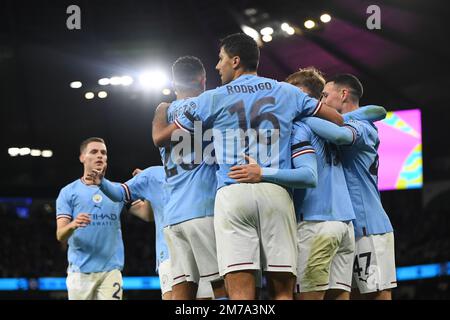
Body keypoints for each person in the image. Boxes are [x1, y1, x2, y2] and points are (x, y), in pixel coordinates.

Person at [152, 33, 344, 300]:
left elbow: (164, 137)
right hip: (276, 192)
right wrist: (297, 125)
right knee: (282, 293)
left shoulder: (212, 98)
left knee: (240, 295)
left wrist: (162, 108)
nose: (217, 66)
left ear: (235, 60)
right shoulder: (286, 91)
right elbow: (336, 119)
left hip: (234, 192)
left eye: (220, 60)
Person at [229, 68, 357, 300]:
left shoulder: (299, 127)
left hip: (315, 223)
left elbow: (308, 176)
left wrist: (262, 173)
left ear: (313, 100)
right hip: (345, 223)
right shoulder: (331, 127)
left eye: (298, 97)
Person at [302, 74, 396, 300]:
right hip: (346, 224)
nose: (322, 101)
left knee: (376, 294)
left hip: (368, 226)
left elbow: (342, 136)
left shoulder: (362, 126)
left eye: (325, 95)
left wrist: (303, 116)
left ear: (343, 94)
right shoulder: (348, 121)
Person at [152, 56, 225, 300]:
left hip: (172, 218)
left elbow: (158, 137)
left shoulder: (165, 113)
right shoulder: (212, 105)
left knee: (182, 292)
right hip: (204, 209)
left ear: (174, 83)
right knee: (222, 286)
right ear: (203, 80)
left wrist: (161, 107)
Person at [89, 166, 216, 300]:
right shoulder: (153, 175)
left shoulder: (205, 169)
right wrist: (146, 189)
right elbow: (144, 212)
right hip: (169, 253)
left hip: (202, 247)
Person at [56, 137, 125, 300]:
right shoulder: (68, 192)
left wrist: (150, 188)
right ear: (82, 158)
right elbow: (60, 235)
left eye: (103, 153)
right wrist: (73, 224)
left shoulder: (117, 190)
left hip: (111, 271)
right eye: (94, 152)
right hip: (80, 273)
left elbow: (147, 215)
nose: (100, 156)